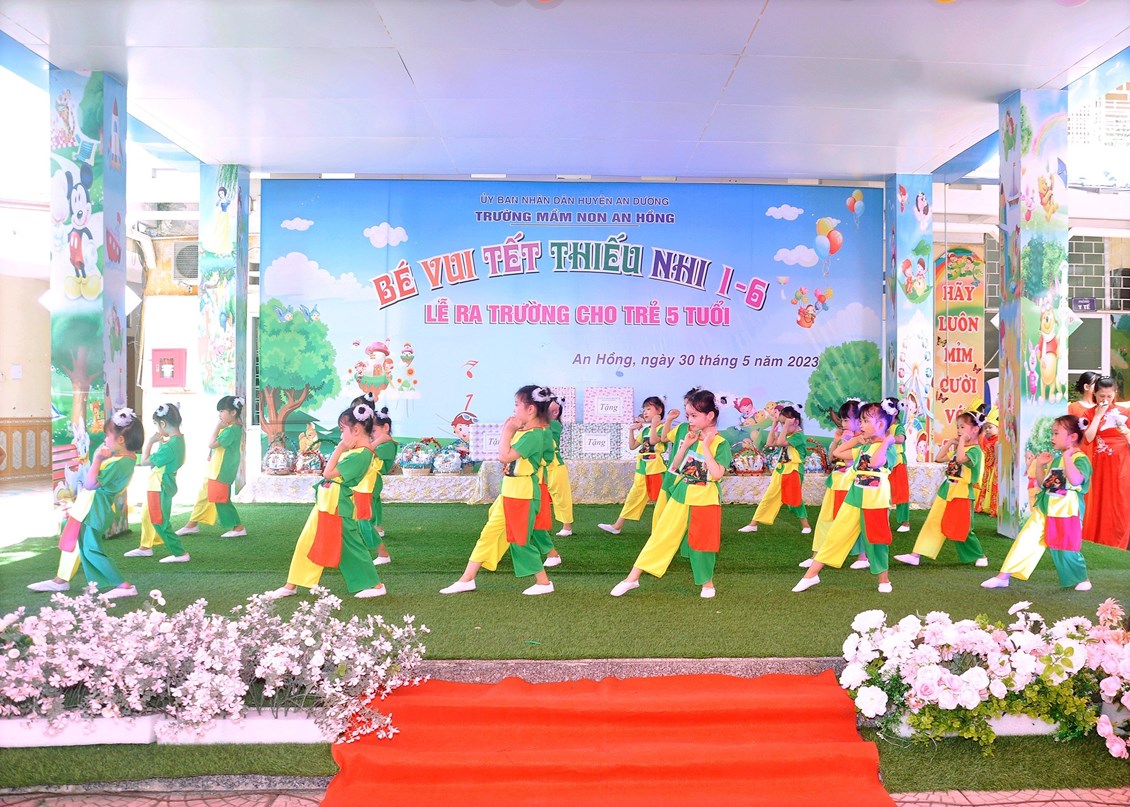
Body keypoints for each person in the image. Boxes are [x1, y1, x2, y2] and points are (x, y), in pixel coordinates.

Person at [610, 389, 732, 599]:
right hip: (681, 492)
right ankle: (632, 578)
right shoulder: (690, 435)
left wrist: (705, 446)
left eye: (694, 415)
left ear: (710, 416)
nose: (689, 420)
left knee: (703, 542)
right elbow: (675, 467)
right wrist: (686, 446)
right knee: (662, 534)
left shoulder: (721, 443)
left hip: (706, 499)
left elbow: (717, 474)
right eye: (688, 415)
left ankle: (707, 583)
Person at [440, 385, 556, 596]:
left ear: (531, 409)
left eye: (517, 405)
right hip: (511, 491)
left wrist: (507, 431)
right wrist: (511, 433)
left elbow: (504, 456)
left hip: (522, 494)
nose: (514, 409)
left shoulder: (535, 435)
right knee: (489, 534)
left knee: (519, 540)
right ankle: (467, 579)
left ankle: (544, 582)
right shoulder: (529, 432)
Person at [266, 403, 386, 599]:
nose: (341, 435)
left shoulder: (362, 454)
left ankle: (376, 585)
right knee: (308, 540)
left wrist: (340, 447)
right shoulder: (357, 452)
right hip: (328, 502)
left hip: (338, 505)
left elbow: (328, 473)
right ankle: (291, 584)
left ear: (356, 430)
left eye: (342, 430)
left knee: (350, 546)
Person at [28, 408, 144, 598]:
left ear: (121, 439)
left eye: (107, 435)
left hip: (93, 510)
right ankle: (60, 580)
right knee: (74, 541)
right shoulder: (124, 459)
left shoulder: (119, 462)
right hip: (89, 508)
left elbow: (90, 484)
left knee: (90, 549)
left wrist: (97, 459)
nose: (105, 439)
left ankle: (124, 586)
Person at [792, 400, 897, 593]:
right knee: (836, 533)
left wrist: (886, 442)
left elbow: (875, 462)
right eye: (861, 420)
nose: (861, 425)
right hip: (854, 496)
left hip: (875, 502)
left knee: (877, 540)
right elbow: (838, 452)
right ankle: (811, 575)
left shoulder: (888, 448)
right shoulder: (863, 447)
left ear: (881, 424)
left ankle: (884, 580)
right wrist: (856, 440)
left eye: (866, 421)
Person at [982, 415, 1092, 590]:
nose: (1052, 437)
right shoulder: (1057, 458)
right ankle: (1004, 576)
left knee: (1065, 548)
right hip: (1045, 507)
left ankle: (1081, 578)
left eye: (1056, 433)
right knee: (1026, 538)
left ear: (1073, 437)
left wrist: (1067, 457)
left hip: (1066, 511)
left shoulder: (1080, 459)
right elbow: (1043, 484)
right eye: (1052, 433)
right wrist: (1040, 465)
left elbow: (1076, 480)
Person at [895, 404, 989, 568]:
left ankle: (980, 555)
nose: (959, 430)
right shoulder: (961, 448)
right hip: (947, 490)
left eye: (962, 427)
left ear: (975, 429)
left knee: (961, 528)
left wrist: (961, 442)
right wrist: (951, 442)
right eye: (957, 427)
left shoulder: (975, 451)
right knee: (933, 521)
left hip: (962, 493)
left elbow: (960, 459)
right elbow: (939, 458)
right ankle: (916, 554)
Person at [803, 398, 869, 571]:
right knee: (825, 518)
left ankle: (863, 556)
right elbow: (832, 457)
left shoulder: (863, 440)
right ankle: (816, 555)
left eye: (847, 419)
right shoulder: (846, 436)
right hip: (836, 481)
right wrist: (836, 440)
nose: (843, 423)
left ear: (858, 420)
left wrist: (846, 441)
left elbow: (849, 461)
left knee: (853, 520)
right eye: (842, 419)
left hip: (850, 483)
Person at [599, 396, 673, 535]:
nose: (645, 412)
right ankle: (617, 526)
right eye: (644, 410)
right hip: (642, 469)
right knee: (634, 497)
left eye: (648, 409)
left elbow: (654, 441)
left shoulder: (664, 428)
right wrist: (631, 430)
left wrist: (655, 425)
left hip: (656, 470)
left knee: (660, 500)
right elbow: (632, 446)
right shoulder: (645, 430)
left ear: (659, 410)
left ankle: (663, 530)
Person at [176, 395, 247, 538]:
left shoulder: (231, 430)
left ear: (233, 412)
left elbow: (212, 444)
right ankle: (192, 524)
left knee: (220, 498)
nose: (219, 414)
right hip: (215, 469)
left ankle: (238, 527)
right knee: (204, 495)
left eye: (222, 411)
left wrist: (217, 427)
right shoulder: (231, 428)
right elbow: (216, 446)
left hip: (221, 471)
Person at [124, 403, 188, 562]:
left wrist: (151, 441)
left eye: (156, 424)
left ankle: (180, 553)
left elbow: (144, 461)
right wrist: (160, 442)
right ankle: (145, 547)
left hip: (159, 486)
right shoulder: (177, 441)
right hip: (160, 484)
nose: (157, 428)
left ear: (163, 424)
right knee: (147, 515)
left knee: (159, 521)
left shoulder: (169, 446)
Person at [740, 403, 810, 534]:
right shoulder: (787, 434)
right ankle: (753, 523)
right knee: (769, 496)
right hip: (781, 469)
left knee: (794, 498)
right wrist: (774, 424)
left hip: (794, 470)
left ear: (796, 422)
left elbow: (780, 442)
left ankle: (806, 525)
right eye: (782, 423)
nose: (784, 426)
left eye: (786, 423)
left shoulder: (798, 436)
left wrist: (786, 426)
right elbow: (769, 443)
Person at [1081, 376, 1130, 550]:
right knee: (1098, 501)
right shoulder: (1088, 413)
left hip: (1121, 463)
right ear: (1094, 394)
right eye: (1102, 396)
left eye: (1109, 396)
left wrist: (1125, 431)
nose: (1106, 400)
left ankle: (1118, 543)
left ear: (1115, 393)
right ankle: (1096, 541)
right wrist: (1098, 416)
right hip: (1099, 463)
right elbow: (1087, 438)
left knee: (1120, 502)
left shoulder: (1125, 412)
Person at [545, 397, 574, 538]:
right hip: (541, 466)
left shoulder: (555, 425)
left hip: (555, 466)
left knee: (561, 497)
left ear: (556, 412)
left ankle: (567, 527)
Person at [885, 397, 912, 532]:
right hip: (885, 463)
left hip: (898, 463)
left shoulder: (898, 427)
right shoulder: (883, 426)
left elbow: (901, 438)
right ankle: (884, 520)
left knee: (901, 492)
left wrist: (888, 438)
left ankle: (905, 522)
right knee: (884, 492)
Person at [974, 407, 1000, 518]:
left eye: (990, 427)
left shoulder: (997, 441)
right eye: (986, 428)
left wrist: (995, 470)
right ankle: (984, 506)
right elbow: (981, 444)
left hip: (994, 468)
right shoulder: (988, 440)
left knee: (993, 488)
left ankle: (993, 508)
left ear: (998, 428)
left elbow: (997, 458)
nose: (987, 430)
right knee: (986, 486)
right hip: (988, 467)